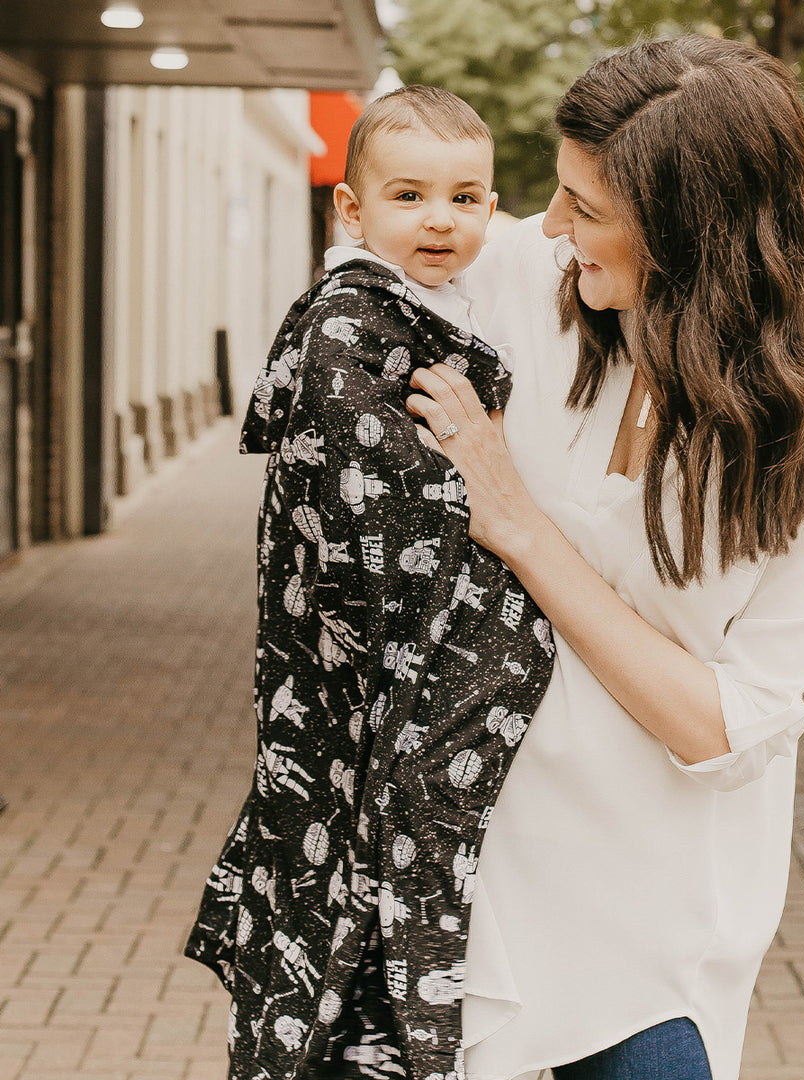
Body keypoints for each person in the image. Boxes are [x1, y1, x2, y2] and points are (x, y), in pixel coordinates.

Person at [404, 36, 804, 1080]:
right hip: (467, 890)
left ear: (691, 234)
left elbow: (726, 729)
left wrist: (519, 526)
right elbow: (362, 284)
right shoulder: (523, 279)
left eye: (585, 209)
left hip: (651, 937)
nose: (551, 227)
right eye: (556, 194)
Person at [184, 86, 556, 1080]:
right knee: (361, 858)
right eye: (410, 195)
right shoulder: (353, 327)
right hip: (367, 657)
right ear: (352, 210)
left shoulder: (434, 307)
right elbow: (385, 510)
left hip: (372, 676)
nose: (442, 219)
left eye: (467, 197)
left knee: (351, 859)